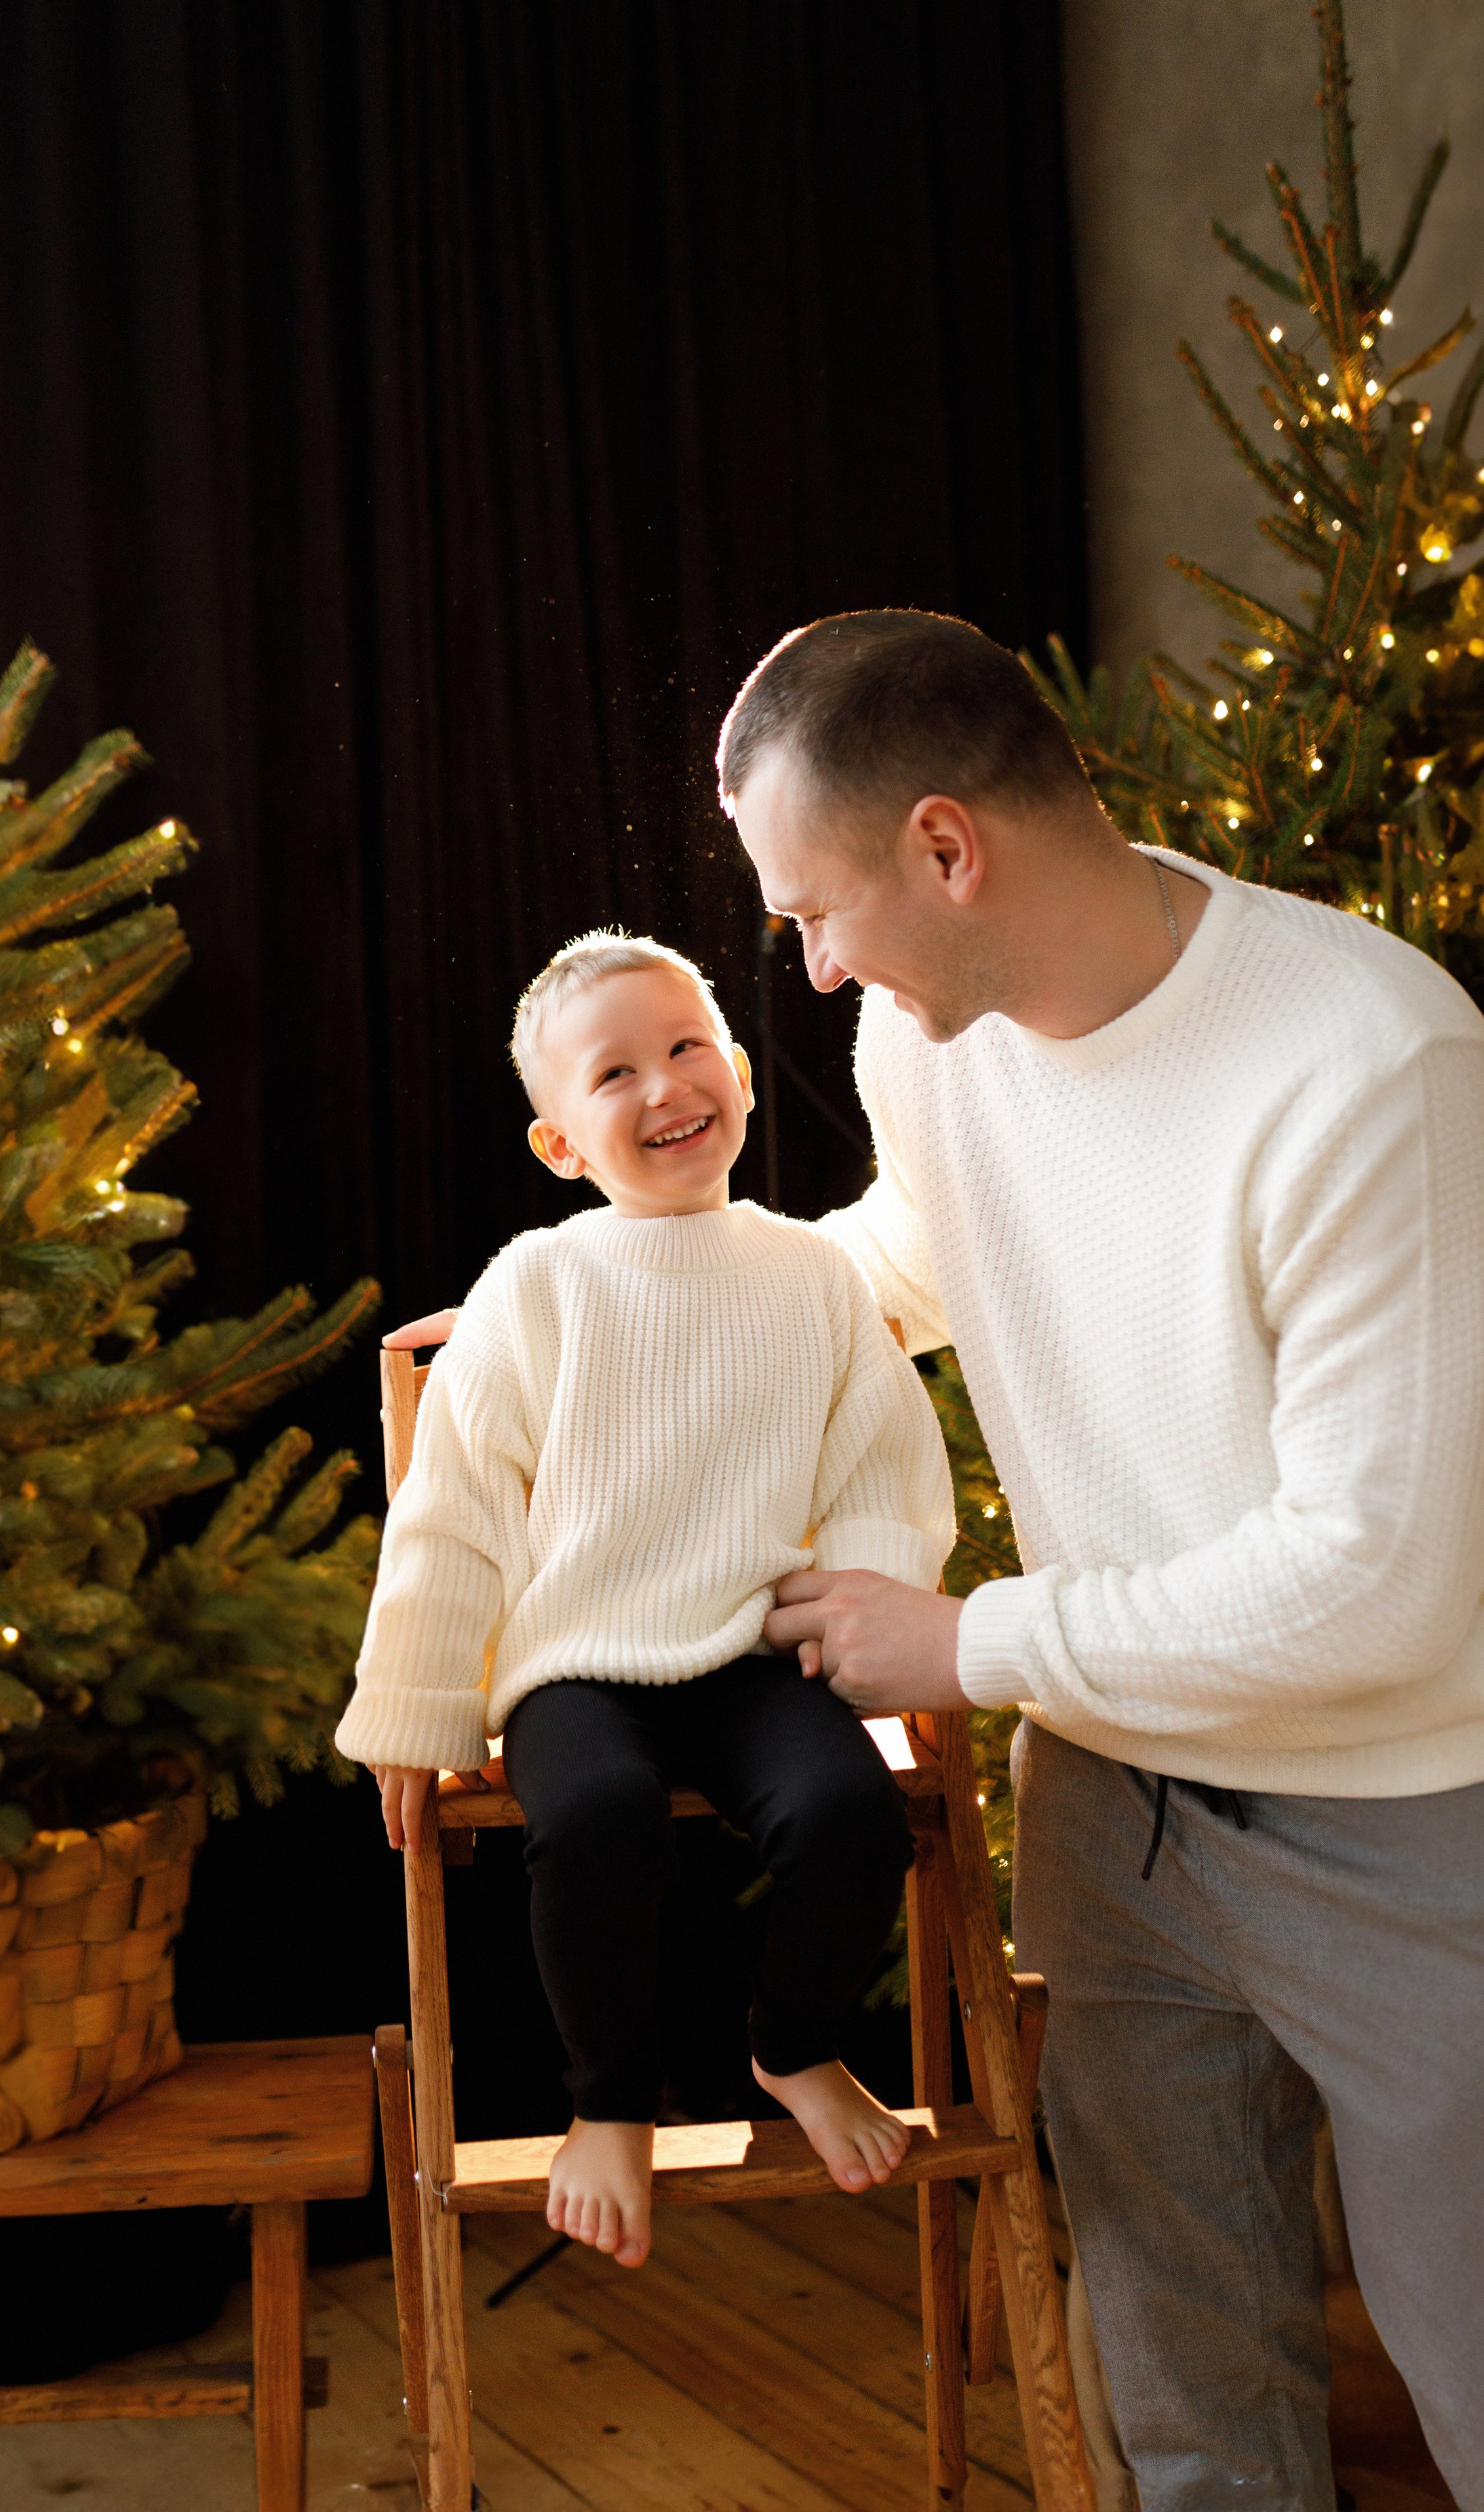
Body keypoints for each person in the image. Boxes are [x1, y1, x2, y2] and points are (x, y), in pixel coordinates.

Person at [718, 610, 1484, 2512]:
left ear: (947, 848)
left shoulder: (1371, 1061)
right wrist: (638, 1306)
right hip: (1116, 1819)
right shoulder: (932, 1036)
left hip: (1413, 1819)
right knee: (1183, 2389)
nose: (812, 974)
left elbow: (1372, 1577)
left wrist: (969, 1645)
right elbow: (930, 1249)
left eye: (816, 911)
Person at [336, 930, 954, 2271]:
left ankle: (791, 2042)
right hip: (577, 1661)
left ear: (733, 1069)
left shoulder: (810, 1277)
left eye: (685, 1049)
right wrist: (417, 1706)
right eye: (613, 1072)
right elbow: (454, 1508)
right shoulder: (540, 1285)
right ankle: (606, 2098)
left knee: (848, 1813)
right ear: (560, 1142)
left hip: (747, 1645)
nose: (664, 1085)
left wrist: (851, 1603)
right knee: (600, 1815)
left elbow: (879, 1463)